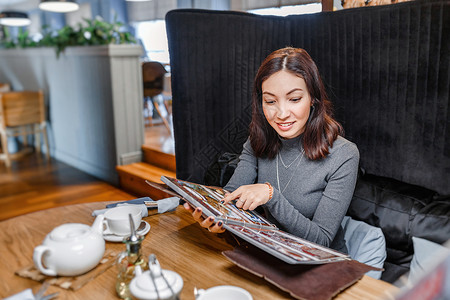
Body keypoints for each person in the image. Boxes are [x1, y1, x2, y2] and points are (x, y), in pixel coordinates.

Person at [184, 47, 360, 253]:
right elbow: (231, 194)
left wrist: (271, 196)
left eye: (294, 99)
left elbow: (321, 241)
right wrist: (213, 212)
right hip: (269, 252)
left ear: (313, 98)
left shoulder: (344, 154)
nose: (282, 114)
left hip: (320, 264)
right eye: (270, 101)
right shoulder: (258, 140)